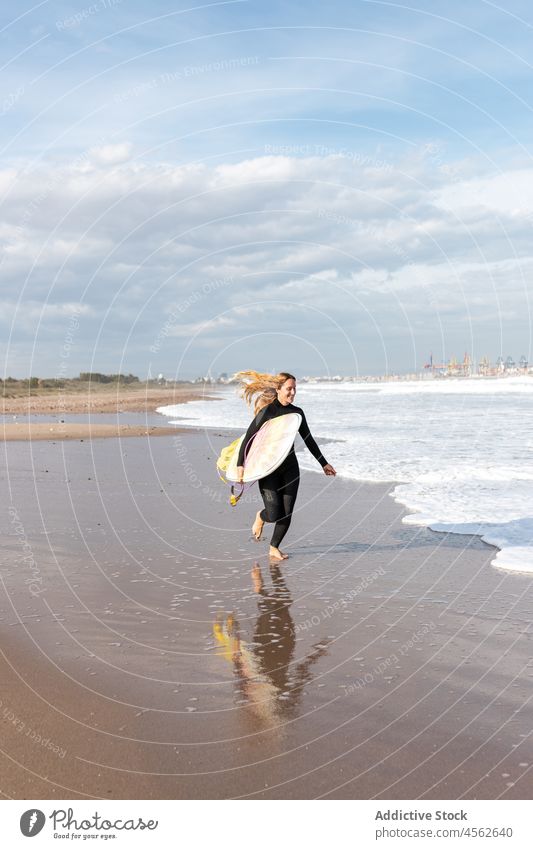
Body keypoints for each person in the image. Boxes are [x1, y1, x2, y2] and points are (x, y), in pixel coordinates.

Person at [233, 370, 336, 561]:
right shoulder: (267, 412)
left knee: (287, 513)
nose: (293, 393)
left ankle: (274, 547)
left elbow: (308, 439)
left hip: (290, 468)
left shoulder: (297, 413)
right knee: (274, 513)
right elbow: (248, 439)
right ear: (278, 389)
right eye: (289, 389)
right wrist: (240, 465)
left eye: (295, 389)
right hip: (268, 469)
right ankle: (261, 517)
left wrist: (324, 463)